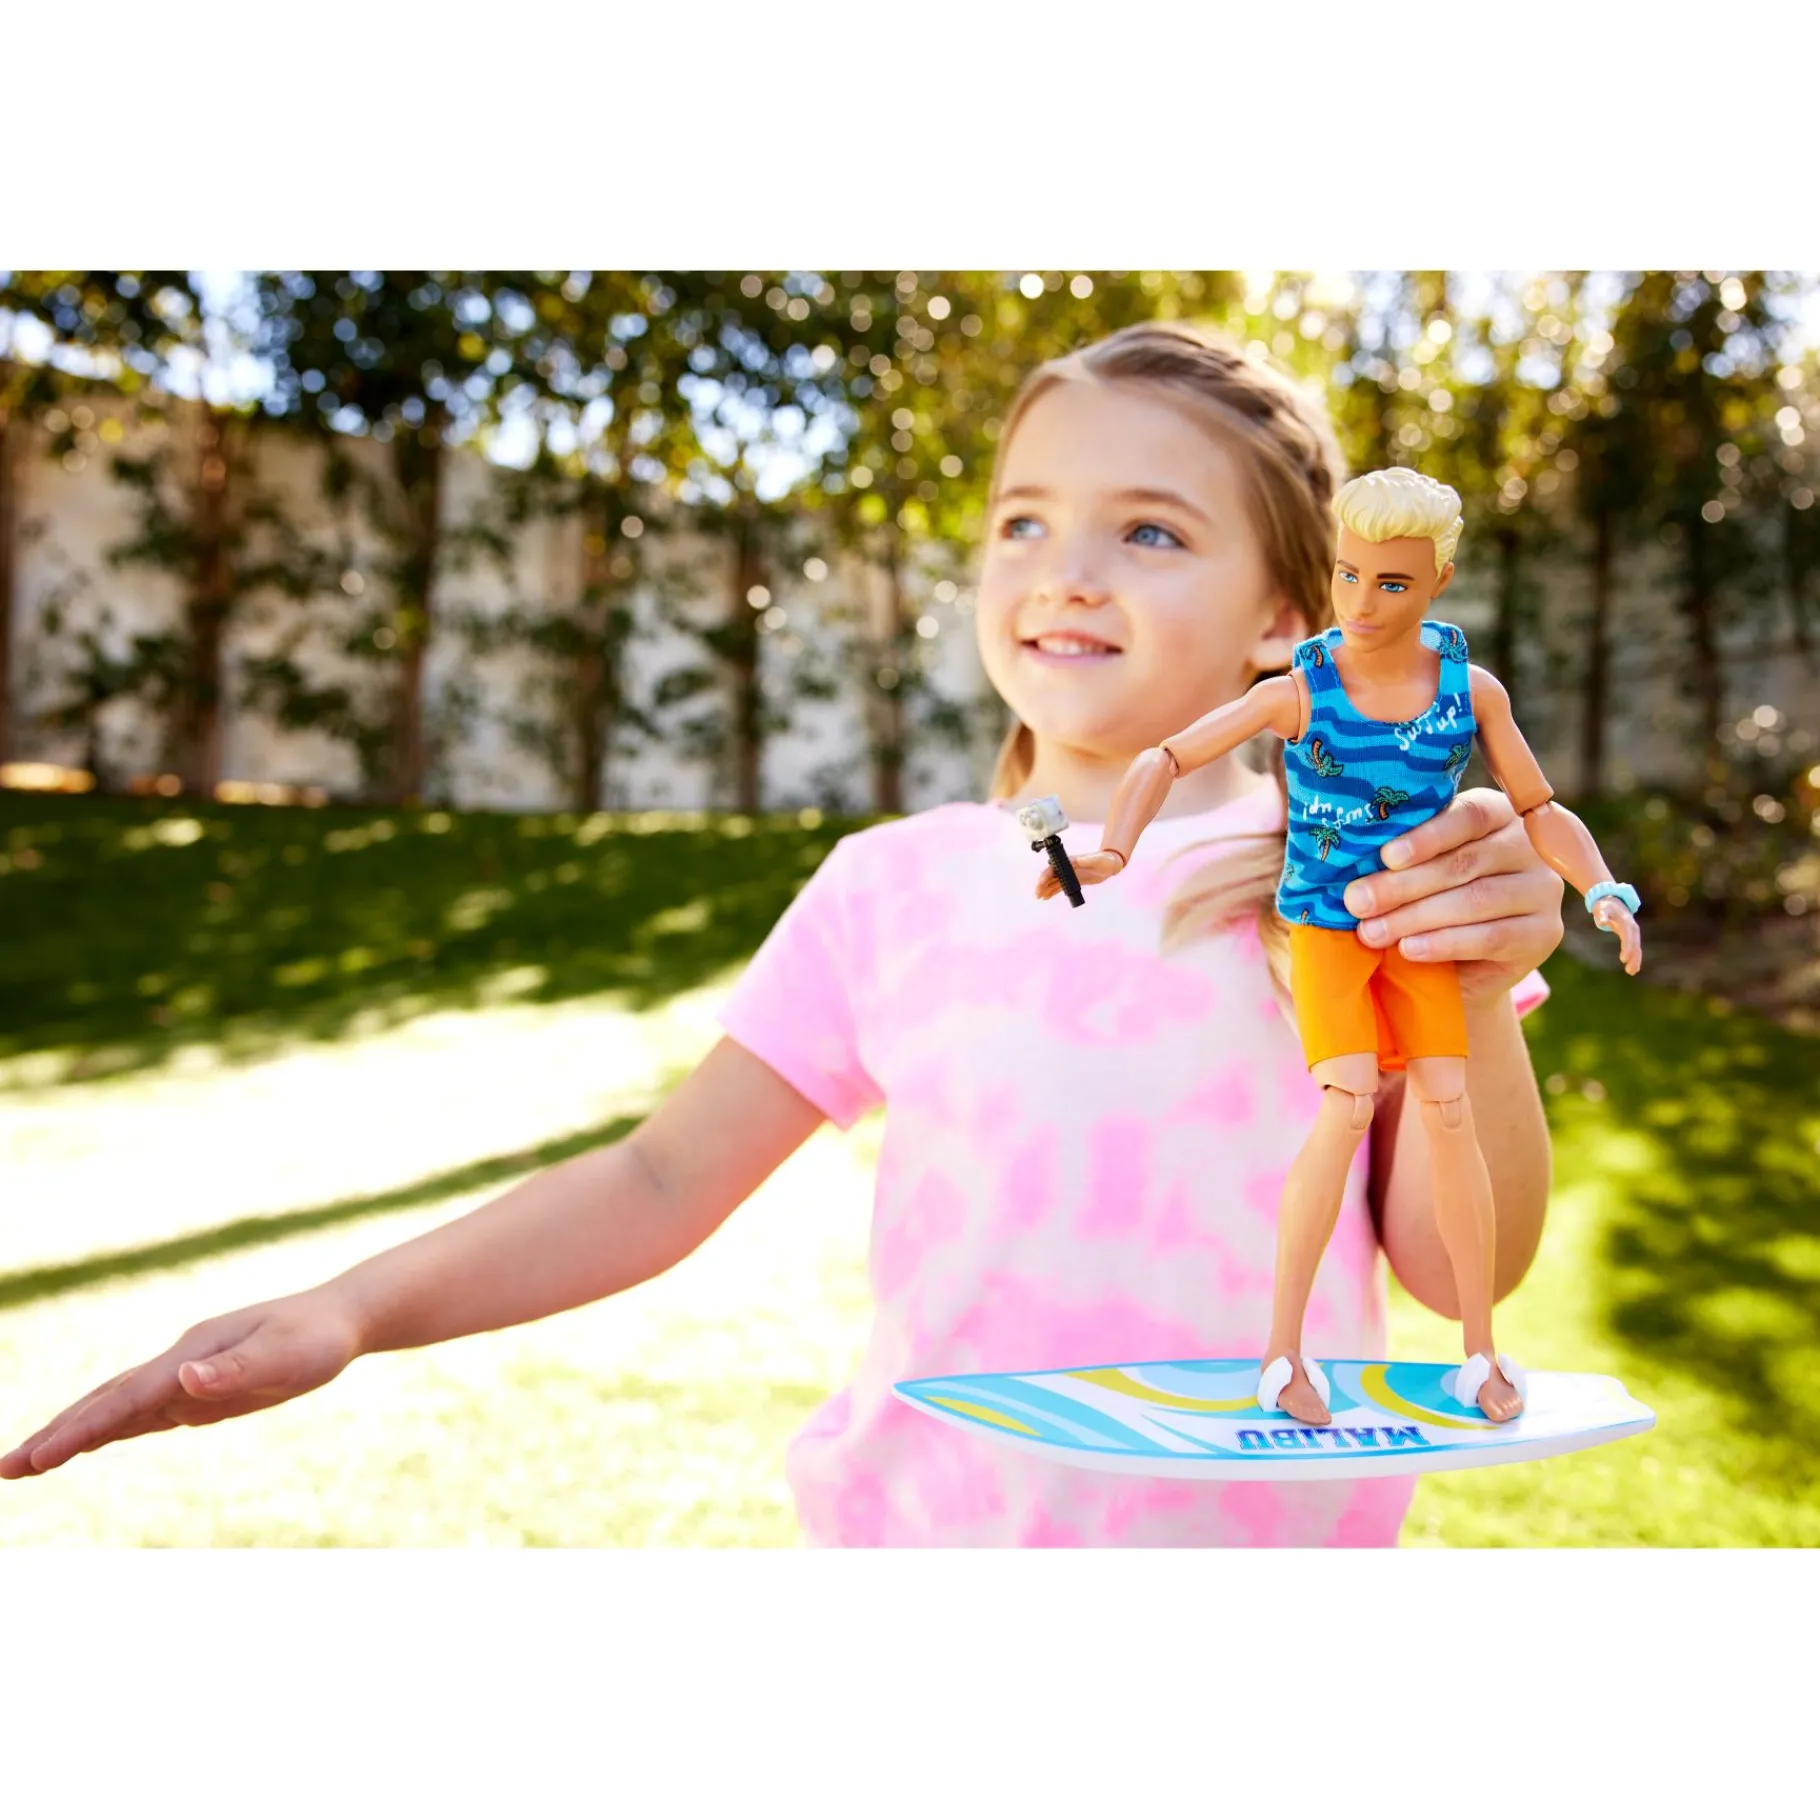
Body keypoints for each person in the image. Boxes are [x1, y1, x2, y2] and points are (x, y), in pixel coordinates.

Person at [1, 324, 1564, 1546]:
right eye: (1022, 522)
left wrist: (1476, 990)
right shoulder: (891, 888)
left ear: (1288, 619)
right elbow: (657, 1180)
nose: (1063, 574)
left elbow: (1461, 1268)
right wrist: (350, 1310)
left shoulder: (1361, 879)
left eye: (1149, 532)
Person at [1042, 466, 1642, 1430]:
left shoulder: (1467, 692)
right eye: (1347, 574)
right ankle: (1284, 1353)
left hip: (1414, 937)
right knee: (1348, 1102)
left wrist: (1600, 885)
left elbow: (1537, 807)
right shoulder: (1304, 690)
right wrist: (1112, 847)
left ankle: (1480, 1352)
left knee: (1450, 1110)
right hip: (1327, 930)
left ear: (1438, 582)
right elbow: (1168, 755)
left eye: (1391, 583)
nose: (1361, 603)